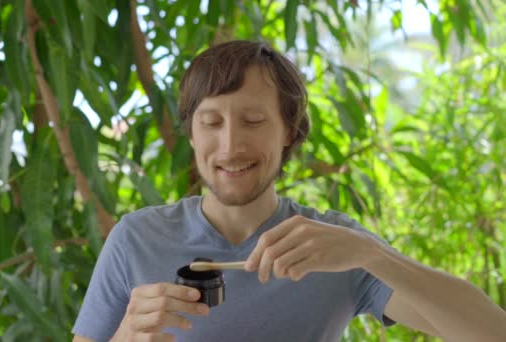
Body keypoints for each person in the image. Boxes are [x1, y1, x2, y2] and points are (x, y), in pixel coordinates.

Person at [72, 40, 506, 342]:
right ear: (191, 134)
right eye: (211, 122)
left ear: (289, 131)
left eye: (253, 121)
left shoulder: (335, 245)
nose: (229, 145)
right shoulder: (135, 239)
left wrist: (371, 254)